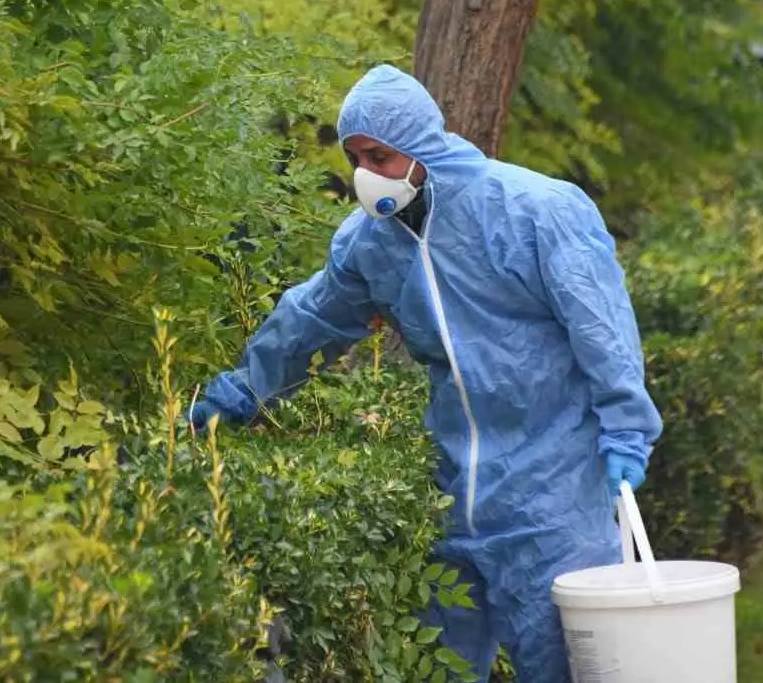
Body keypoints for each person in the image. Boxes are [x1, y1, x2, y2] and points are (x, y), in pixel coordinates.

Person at [189, 64, 663, 683]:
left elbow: (600, 327)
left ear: (419, 146)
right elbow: (314, 319)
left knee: (564, 664)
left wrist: (627, 426)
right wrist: (249, 387)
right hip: (449, 497)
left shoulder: (533, 211)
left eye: (379, 155)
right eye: (355, 156)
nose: (365, 174)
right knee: (437, 666)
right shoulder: (371, 242)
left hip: (554, 492)